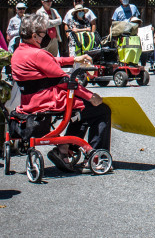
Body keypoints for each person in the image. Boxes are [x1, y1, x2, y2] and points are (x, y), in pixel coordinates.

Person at [11, 14, 110, 173]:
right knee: (100, 109)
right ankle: (96, 155)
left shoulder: (19, 53)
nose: (47, 36)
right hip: (47, 101)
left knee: (84, 110)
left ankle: (64, 149)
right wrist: (91, 96)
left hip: (31, 101)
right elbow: (65, 81)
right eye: (44, 33)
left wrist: (74, 58)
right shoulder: (38, 54)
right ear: (35, 35)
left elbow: (50, 61)